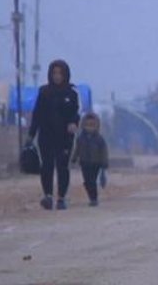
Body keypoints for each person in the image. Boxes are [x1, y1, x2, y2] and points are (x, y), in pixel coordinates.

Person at [28, 60, 81, 211]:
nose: (57, 76)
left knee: (62, 166)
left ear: (65, 75)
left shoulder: (72, 92)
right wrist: (32, 134)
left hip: (64, 137)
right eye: (54, 73)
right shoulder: (44, 91)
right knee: (47, 166)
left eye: (60, 73)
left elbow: (76, 112)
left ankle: (61, 198)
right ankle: (48, 196)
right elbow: (37, 113)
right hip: (46, 135)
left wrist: (73, 123)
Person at [71, 113, 109, 207]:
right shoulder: (80, 138)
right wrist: (74, 158)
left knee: (92, 181)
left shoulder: (99, 139)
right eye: (87, 125)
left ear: (96, 126)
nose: (89, 128)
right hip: (84, 163)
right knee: (87, 181)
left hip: (96, 163)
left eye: (92, 125)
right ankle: (91, 196)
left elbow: (104, 151)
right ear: (83, 125)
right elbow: (77, 149)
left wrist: (104, 163)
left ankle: (94, 198)